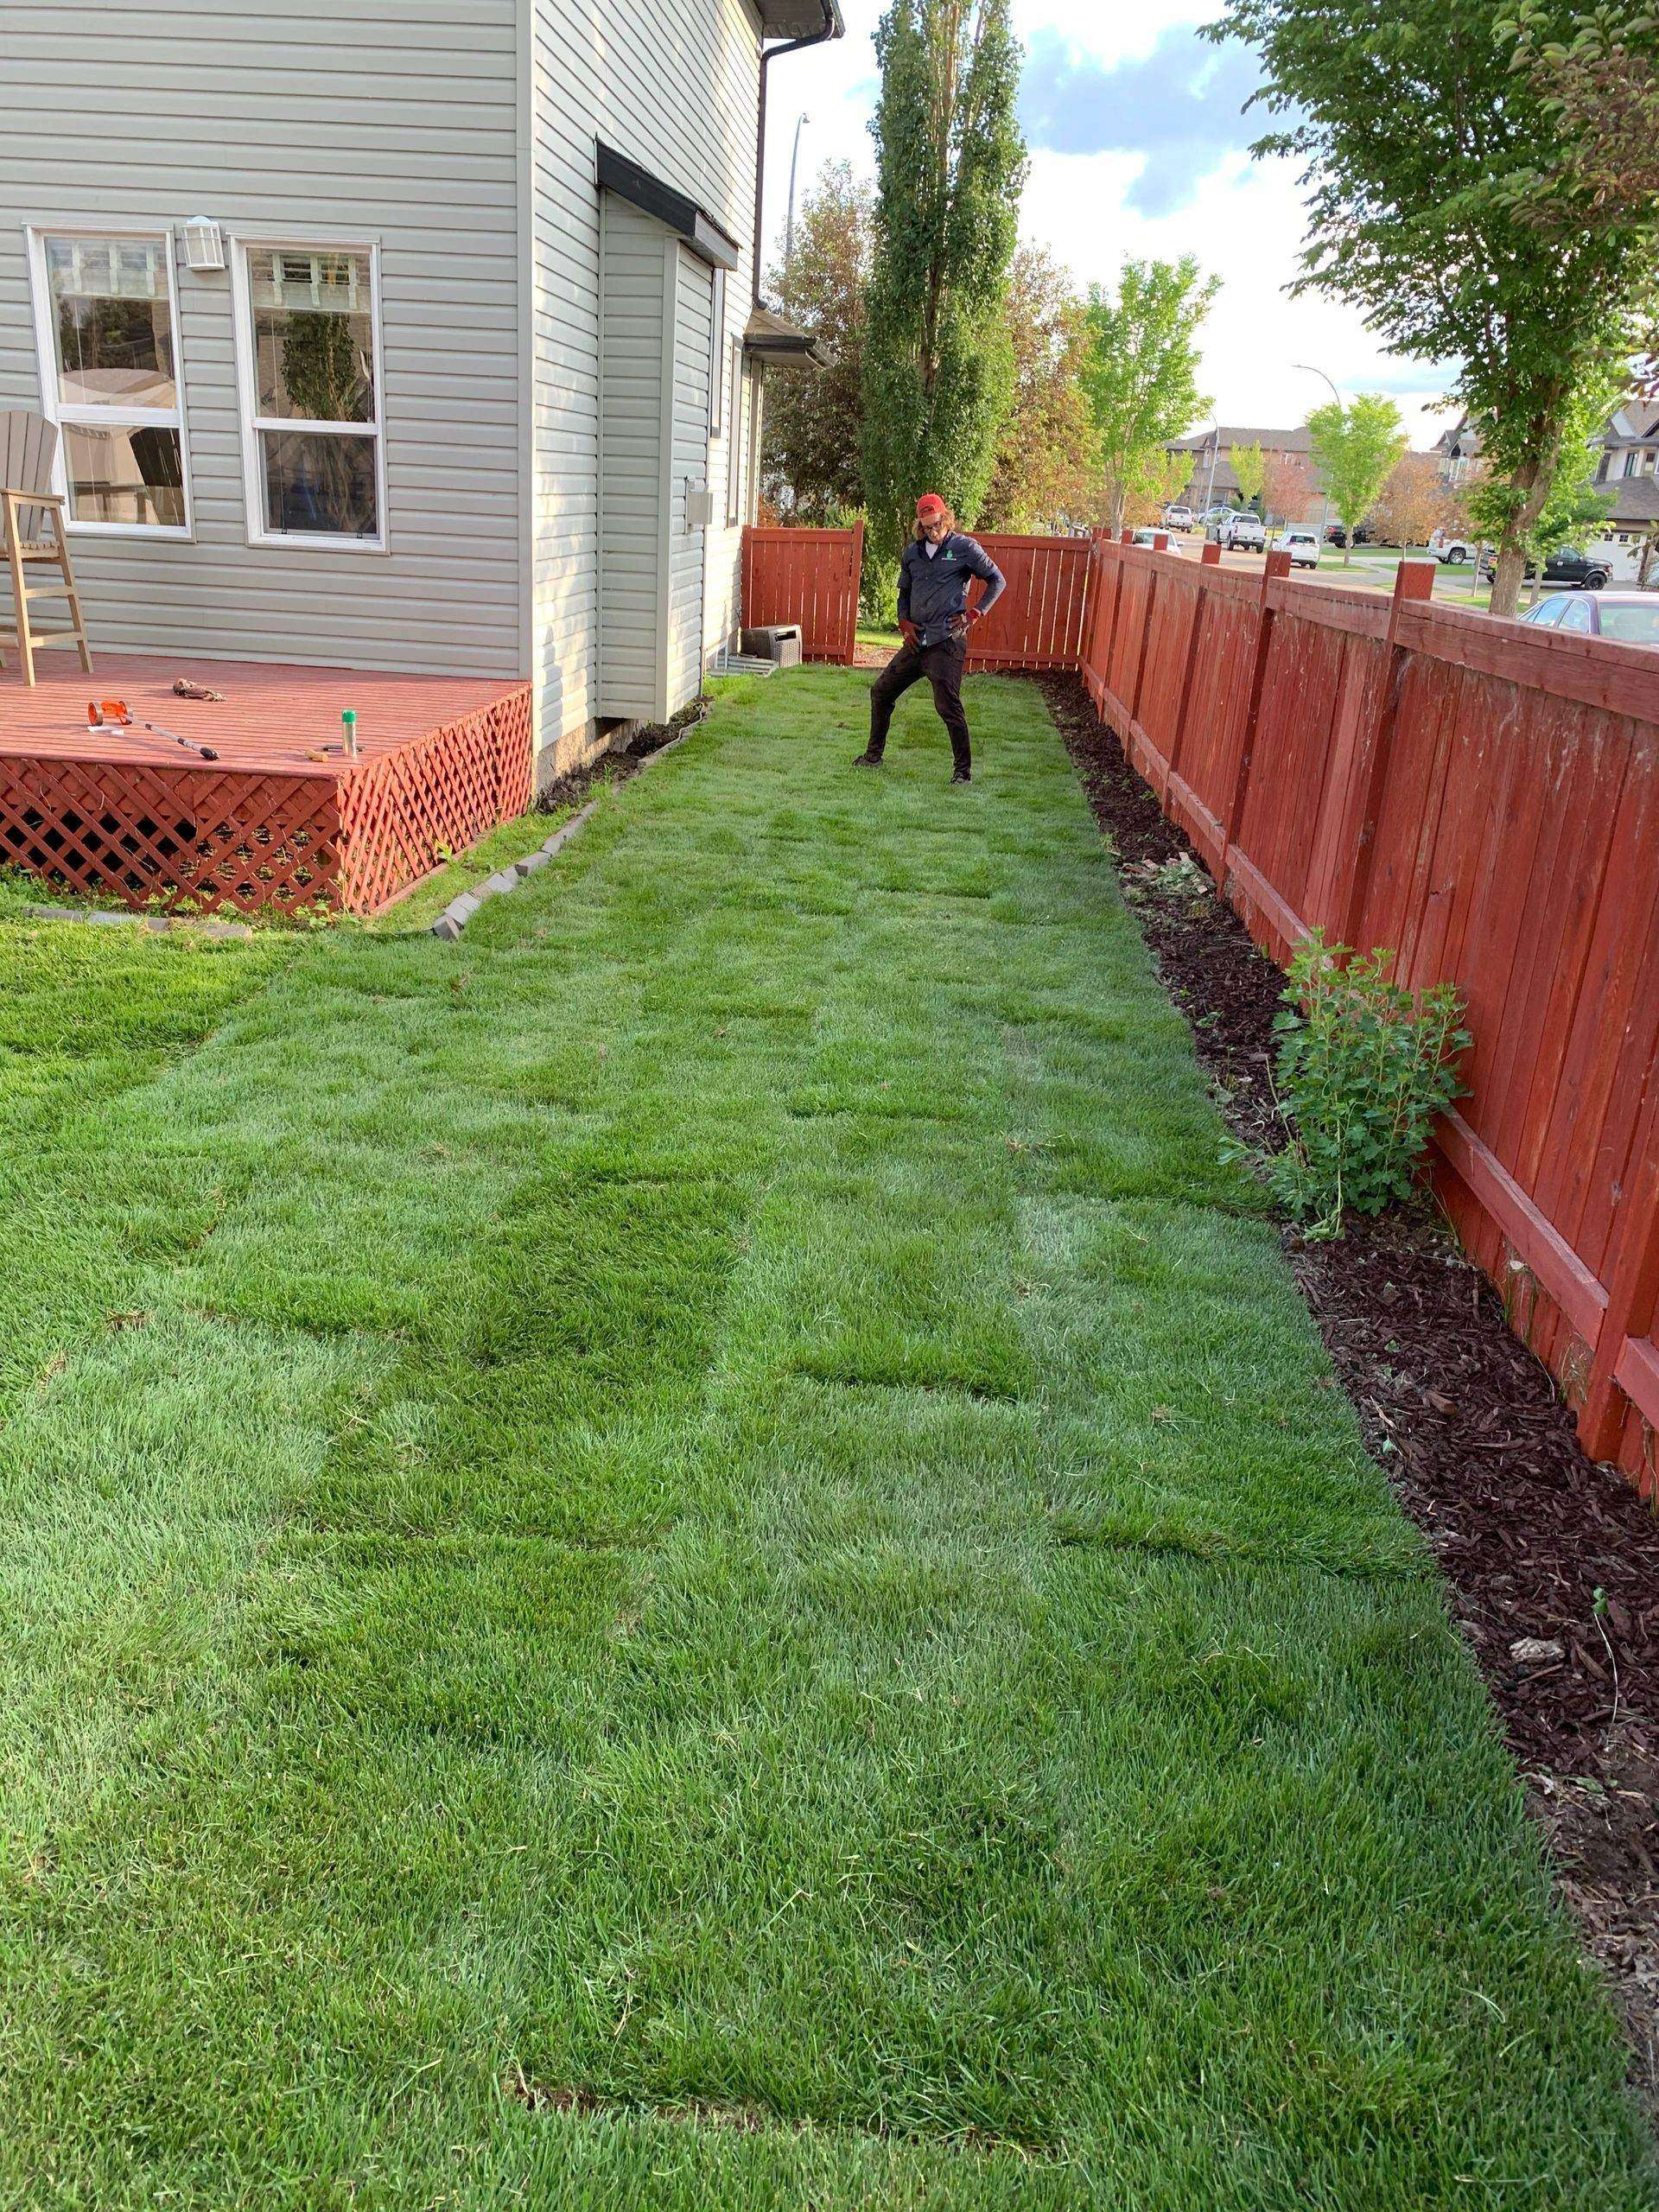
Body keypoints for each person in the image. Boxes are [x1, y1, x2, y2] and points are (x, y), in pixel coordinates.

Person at [854, 494, 1007, 784]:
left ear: (945, 519)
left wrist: (974, 614)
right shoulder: (912, 554)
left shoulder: (965, 548)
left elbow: (997, 580)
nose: (933, 532)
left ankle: (962, 773)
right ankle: (873, 757)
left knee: (948, 706)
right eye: (927, 527)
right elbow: (904, 594)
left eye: (937, 525)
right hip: (916, 642)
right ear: (920, 527)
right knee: (881, 692)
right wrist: (904, 624)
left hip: (946, 642)